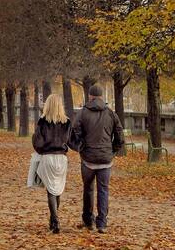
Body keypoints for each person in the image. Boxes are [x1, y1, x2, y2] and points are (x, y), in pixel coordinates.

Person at [70, 84, 124, 234]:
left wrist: (80, 147)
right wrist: (113, 150)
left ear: (90, 96)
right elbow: (119, 134)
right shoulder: (111, 113)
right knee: (103, 190)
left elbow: (74, 132)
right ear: (102, 97)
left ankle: (88, 221)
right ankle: (102, 223)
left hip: (88, 159)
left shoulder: (83, 113)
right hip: (106, 160)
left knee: (88, 189)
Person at [32, 94, 71, 234]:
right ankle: (54, 219)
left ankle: (54, 220)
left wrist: (42, 150)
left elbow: (37, 142)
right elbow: (71, 141)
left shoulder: (42, 121)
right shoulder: (67, 122)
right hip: (61, 158)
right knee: (58, 189)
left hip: (48, 157)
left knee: (50, 190)